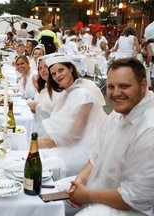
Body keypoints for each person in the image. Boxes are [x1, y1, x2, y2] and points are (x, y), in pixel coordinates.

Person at [64, 58, 154, 216]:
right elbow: (96, 154)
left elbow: (135, 197)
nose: (116, 93)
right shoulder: (118, 113)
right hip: (98, 187)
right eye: (111, 87)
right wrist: (80, 180)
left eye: (124, 86)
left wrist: (87, 196)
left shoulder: (149, 129)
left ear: (143, 86)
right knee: (49, 195)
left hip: (131, 208)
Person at [39, 55, 106, 177]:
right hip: (73, 144)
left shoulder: (83, 94)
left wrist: (35, 143)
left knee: (38, 160)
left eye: (61, 70)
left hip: (83, 151)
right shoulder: (70, 91)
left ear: (70, 68)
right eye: (53, 74)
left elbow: (74, 134)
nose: (57, 76)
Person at [27, 55, 61, 136]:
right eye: (40, 68)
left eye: (46, 67)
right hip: (39, 126)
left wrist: (37, 106)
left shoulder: (59, 88)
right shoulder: (44, 87)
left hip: (51, 132)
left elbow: (56, 112)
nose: (43, 70)